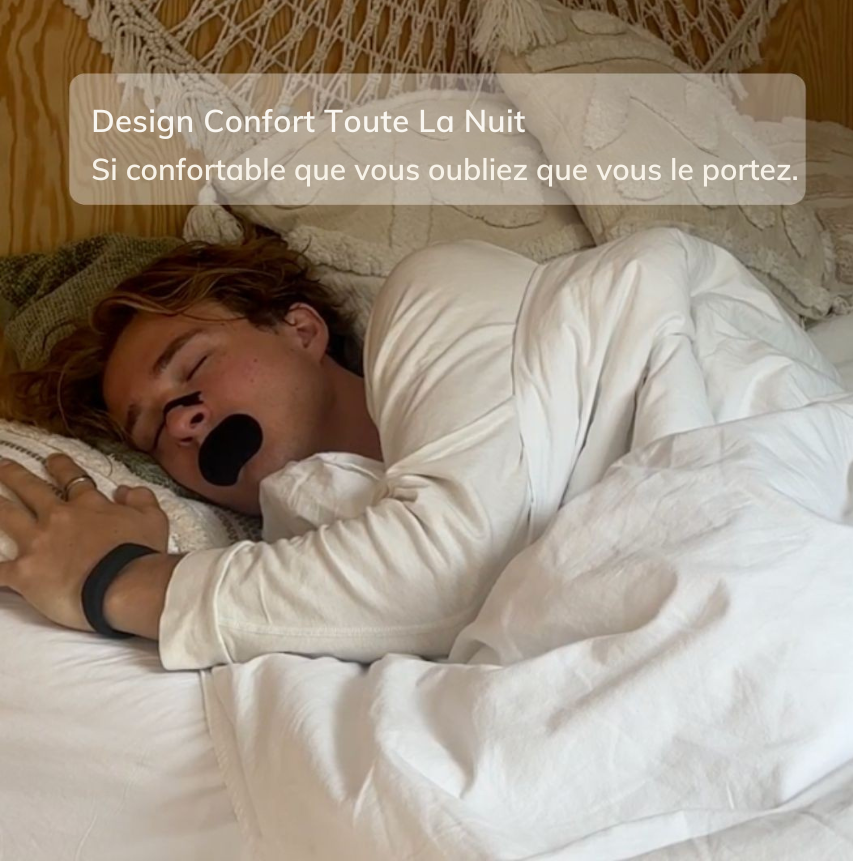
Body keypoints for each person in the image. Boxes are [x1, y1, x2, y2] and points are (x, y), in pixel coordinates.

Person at [0, 233, 539, 668]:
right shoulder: (295, 572)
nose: (182, 421)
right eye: (155, 433)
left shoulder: (437, 295)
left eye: (194, 364)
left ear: (301, 329)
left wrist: (116, 578)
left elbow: (456, 571)